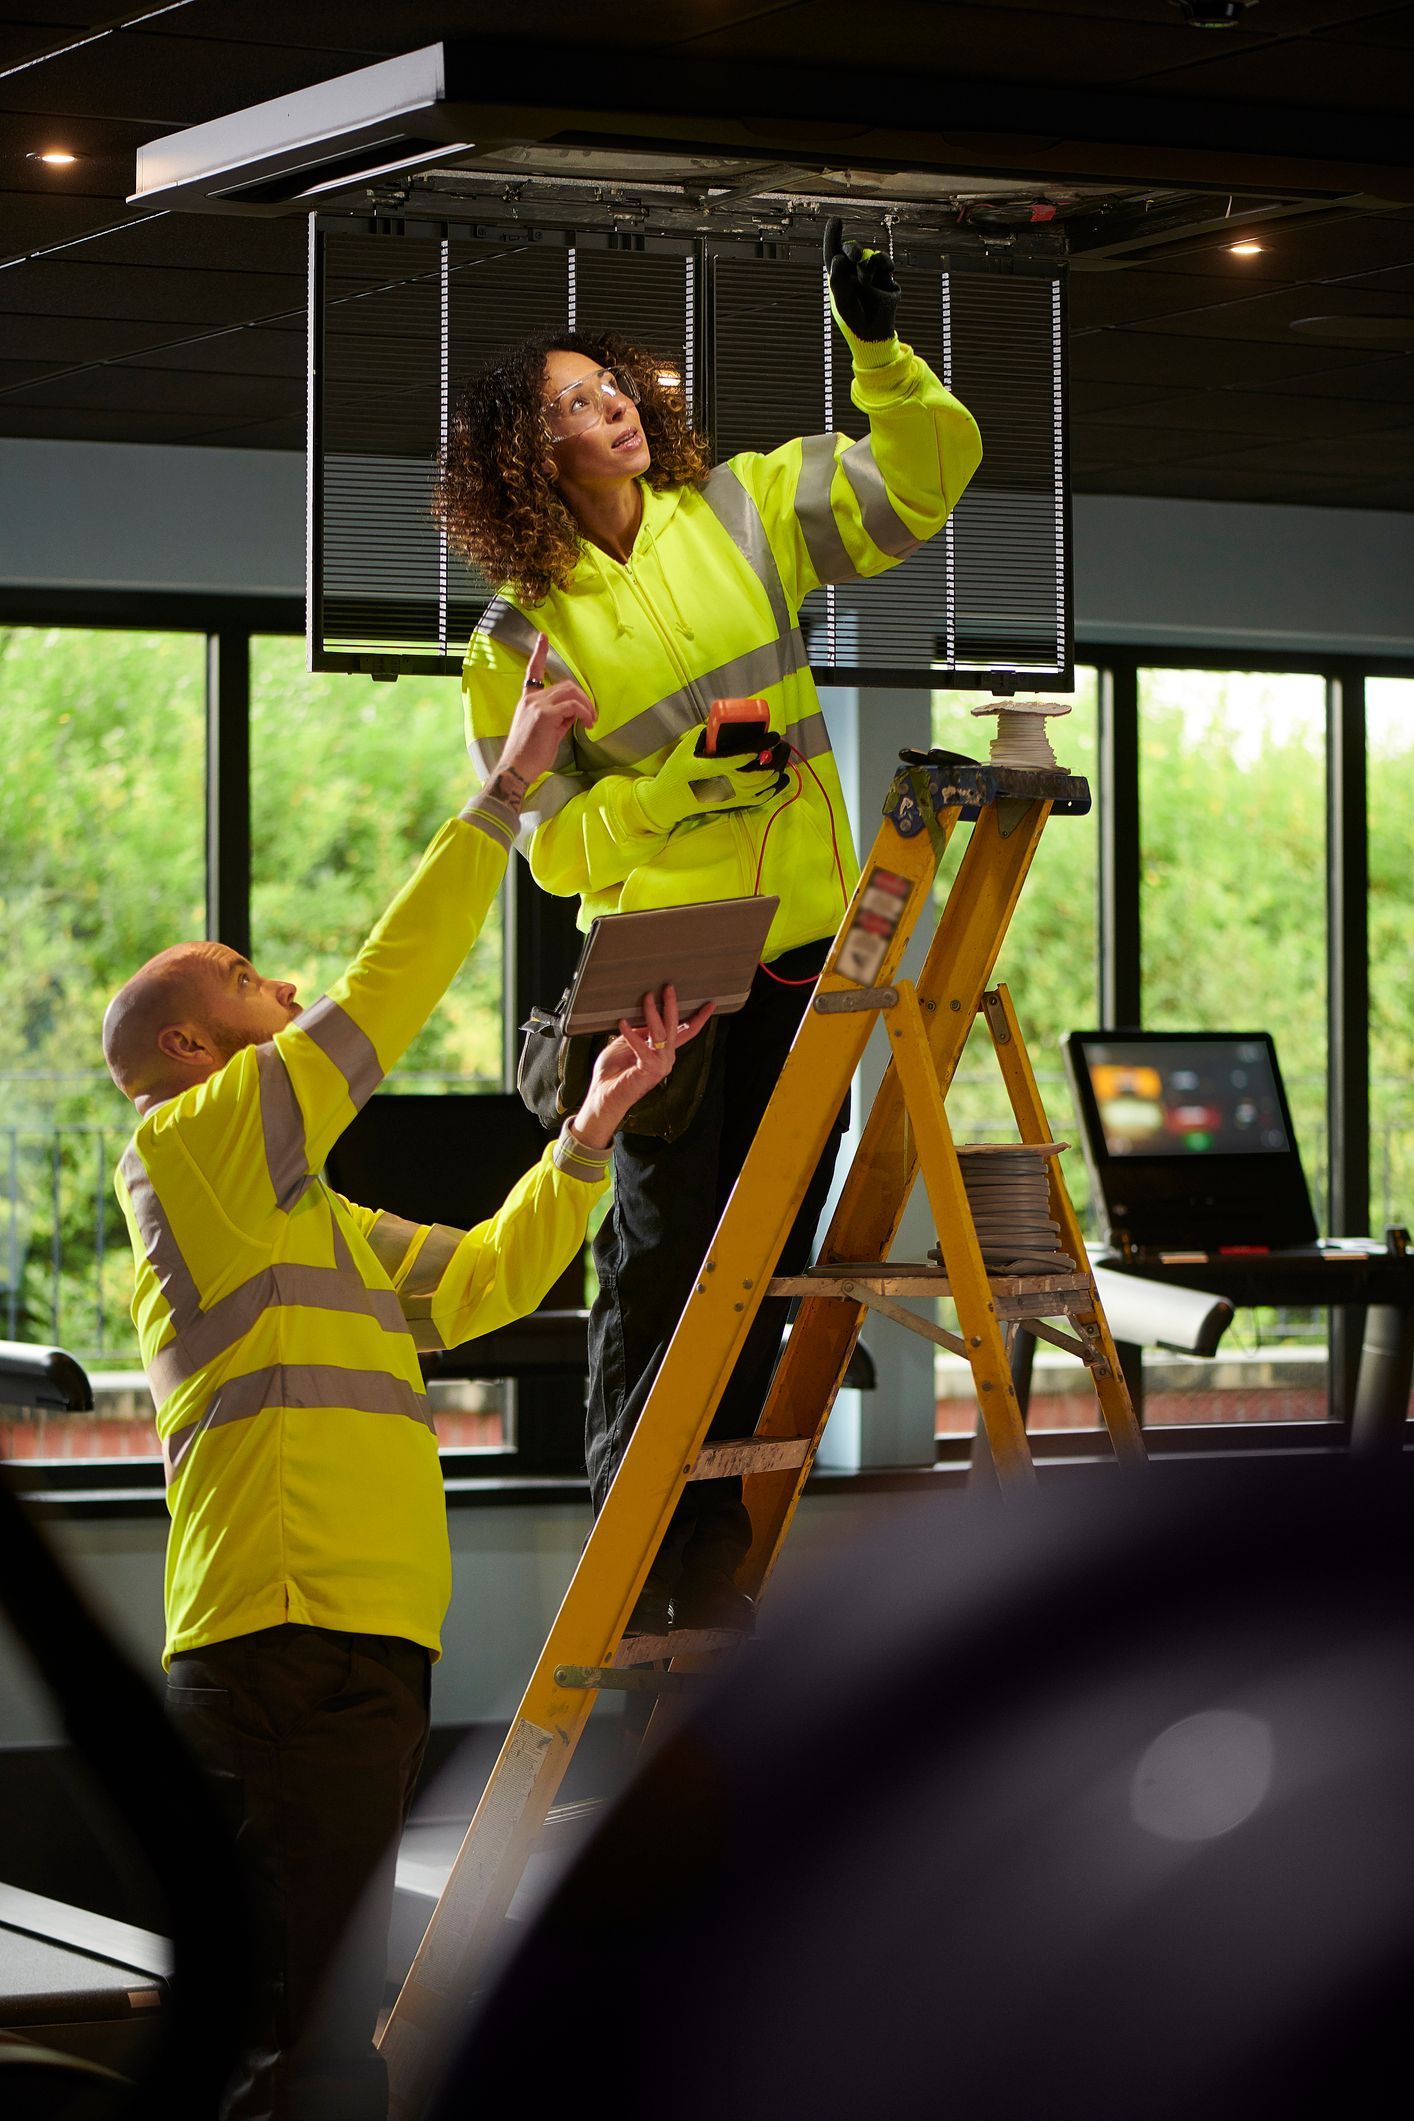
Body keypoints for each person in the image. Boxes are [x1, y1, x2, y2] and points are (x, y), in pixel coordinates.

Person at [103, 648, 709, 2121]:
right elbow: (383, 989)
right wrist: (502, 797)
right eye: (250, 982)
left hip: (333, 1642)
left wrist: (594, 1126)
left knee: (310, 2026)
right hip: (294, 1642)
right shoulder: (192, 1144)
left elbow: (487, 1280)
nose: (286, 988)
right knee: (322, 2045)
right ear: (189, 1046)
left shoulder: (297, 1213)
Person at [440, 220, 983, 1635]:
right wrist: (684, 781)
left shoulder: (743, 510)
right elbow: (551, 847)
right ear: (523, 452)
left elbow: (928, 476)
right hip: (667, 963)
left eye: (608, 383)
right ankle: (641, 1565)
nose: (607, 403)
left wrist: (877, 351)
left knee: (765, 1244)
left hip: (806, 937)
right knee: (664, 1254)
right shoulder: (515, 637)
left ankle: (710, 1554)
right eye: (567, 400)